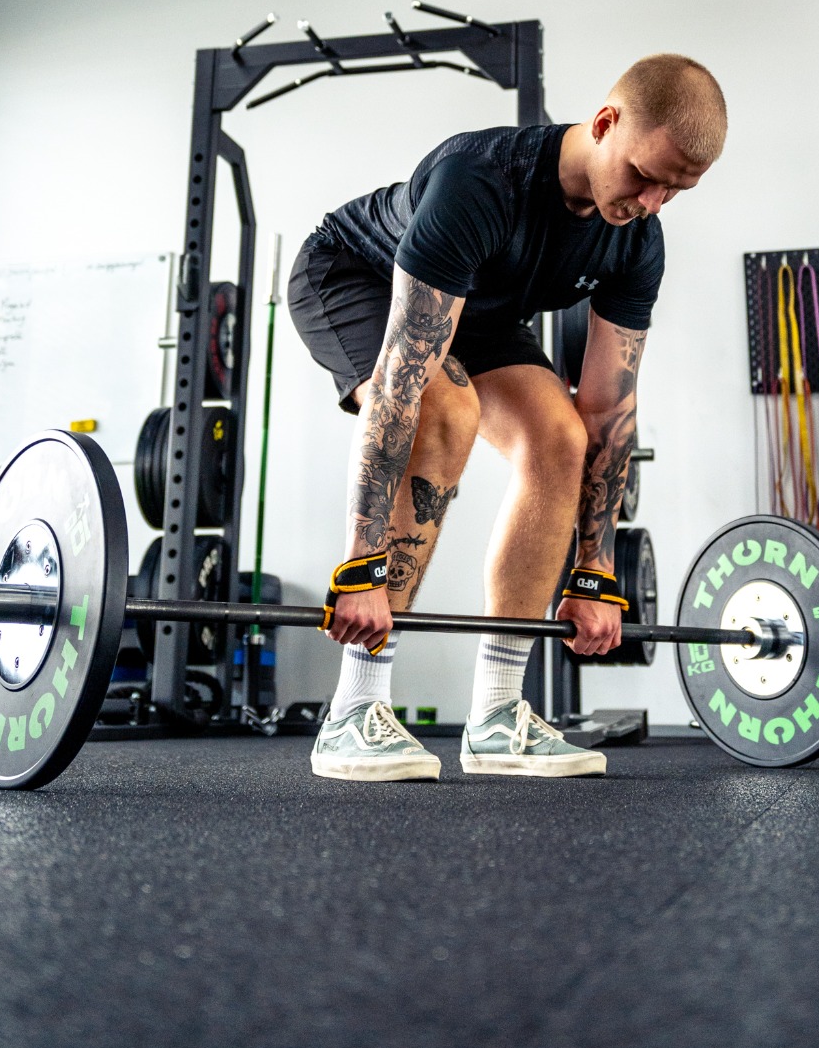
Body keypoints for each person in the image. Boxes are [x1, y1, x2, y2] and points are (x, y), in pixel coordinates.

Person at [286, 52, 727, 782]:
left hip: (481, 310)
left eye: (673, 192)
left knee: (563, 437)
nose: (650, 201)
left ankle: (496, 713)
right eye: (645, 176)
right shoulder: (480, 180)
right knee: (444, 409)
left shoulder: (636, 239)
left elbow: (609, 411)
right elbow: (401, 388)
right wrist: (358, 569)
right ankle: (353, 708)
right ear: (606, 123)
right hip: (354, 276)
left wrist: (593, 571)